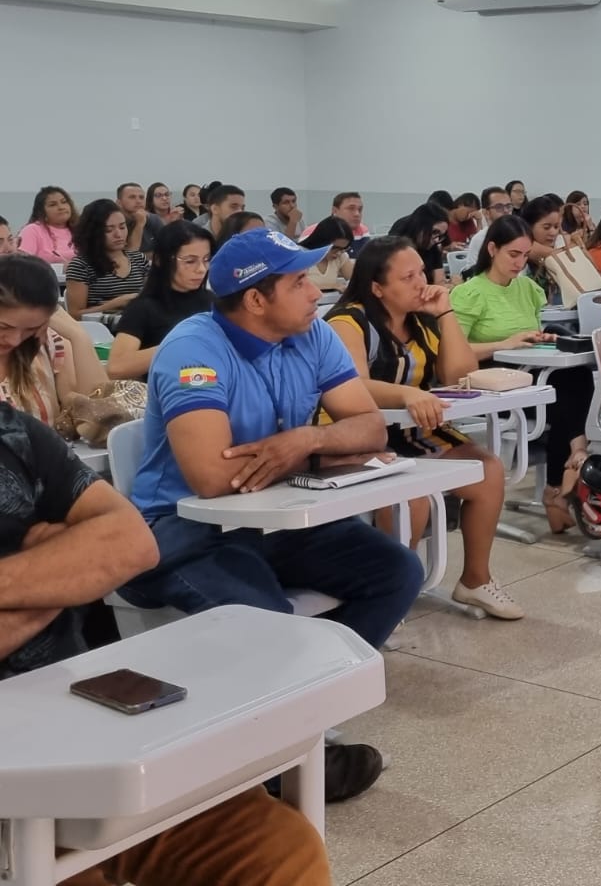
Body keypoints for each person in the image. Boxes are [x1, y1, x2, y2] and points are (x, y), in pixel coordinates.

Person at [116, 228, 422, 796]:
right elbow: (211, 477)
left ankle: (301, 713)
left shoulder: (314, 334)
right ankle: (279, 762)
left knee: (397, 571)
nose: (316, 292)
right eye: (300, 281)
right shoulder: (194, 349)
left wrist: (302, 440)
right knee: (271, 622)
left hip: (271, 517)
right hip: (183, 533)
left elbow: (371, 428)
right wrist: (321, 446)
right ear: (256, 299)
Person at [0, 403, 337, 885]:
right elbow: (205, 482)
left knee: (274, 852)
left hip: (70, 722)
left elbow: (131, 545)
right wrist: (59, 573)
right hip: (20, 778)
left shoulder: (12, 432)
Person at [327, 238, 522, 620]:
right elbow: (352, 384)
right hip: (358, 434)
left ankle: (475, 580)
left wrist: (445, 312)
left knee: (488, 470)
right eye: (408, 276)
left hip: (413, 430)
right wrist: (405, 394)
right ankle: (388, 593)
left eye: (421, 271)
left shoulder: (421, 320)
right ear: (377, 287)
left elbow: (459, 374)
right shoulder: (347, 321)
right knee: (410, 497)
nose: (422, 282)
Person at [451, 216, 593, 528]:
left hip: (529, 369)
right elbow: (453, 352)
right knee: (561, 395)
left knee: (577, 377)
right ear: (491, 249)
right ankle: (568, 471)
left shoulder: (527, 288)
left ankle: (564, 475)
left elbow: (528, 332)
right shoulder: (470, 292)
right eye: (512, 255)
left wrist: (540, 338)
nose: (520, 263)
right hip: (488, 376)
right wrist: (506, 343)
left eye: (525, 256)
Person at [0, 255, 106, 425]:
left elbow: (98, 416)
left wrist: (78, 336)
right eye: (4, 327)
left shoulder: (46, 345)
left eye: (31, 328)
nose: (15, 340)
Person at [108, 224, 215, 380]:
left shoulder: (213, 301)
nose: (201, 269)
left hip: (213, 384)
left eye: (206, 260)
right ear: (160, 260)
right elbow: (116, 367)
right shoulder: (143, 308)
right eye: (190, 261)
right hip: (167, 391)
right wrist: (179, 345)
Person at [64, 198, 150, 320]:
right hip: (102, 330)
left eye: (122, 227)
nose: (118, 234)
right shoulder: (81, 265)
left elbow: (153, 297)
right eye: (109, 230)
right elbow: (74, 315)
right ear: (94, 232)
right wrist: (114, 304)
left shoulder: (138, 259)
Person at [390, 204, 449, 285]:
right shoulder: (397, 246)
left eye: (440, 236)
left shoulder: (433, 248)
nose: (436, 240)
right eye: (435, 232)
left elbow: (440, 282)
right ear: (420, 226)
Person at [18, 185, 77, 264]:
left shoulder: (82, 230)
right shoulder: (32, 230)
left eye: (64, 202)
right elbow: (22, 265)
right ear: (42, 211)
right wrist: (60, 268)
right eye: (53, 205)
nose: (61, 207)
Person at [459, 186, 515, 267]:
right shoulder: (479, 239)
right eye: (499, 207)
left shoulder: (518, 235)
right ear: (486, 213)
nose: (506, 211)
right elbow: (473, 273)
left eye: (508, 206)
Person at [300, 217, 354, 292]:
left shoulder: (341, 256)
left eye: (343, 249)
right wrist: (331, 286)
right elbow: (295, 287)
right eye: (335, 248)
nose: (338, 253)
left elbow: (355, 281)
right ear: (321, 241)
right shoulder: (301, 255)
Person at [303, 192, 369, 240]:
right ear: (335, 211)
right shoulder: (313, 232)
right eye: (351, 208)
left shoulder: (363, 231)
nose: (357, 214)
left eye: (360, 209)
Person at [117, 181, 161, 253]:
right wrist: (139, 224)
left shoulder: (154, 219)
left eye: (141, 197)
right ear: (119, 203)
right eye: (132, 197)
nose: (138, 201)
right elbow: (130, 255)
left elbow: (167, 248)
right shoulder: (114, 223)